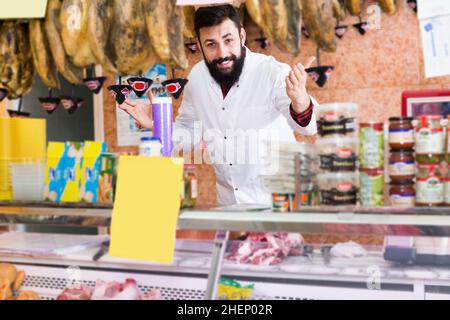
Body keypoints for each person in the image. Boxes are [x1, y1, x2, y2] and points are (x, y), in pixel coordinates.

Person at [119, 5, 317, 206]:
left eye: (228, 40)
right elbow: (188, 134)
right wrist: (157, 123)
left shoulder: (272, 72)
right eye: (211, 44)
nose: (222, 53)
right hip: (229, 205)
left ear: (241, 36)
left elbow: (308, 127)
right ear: (200, 45)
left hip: (276, 203)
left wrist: (300, 99)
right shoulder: (197, 77)